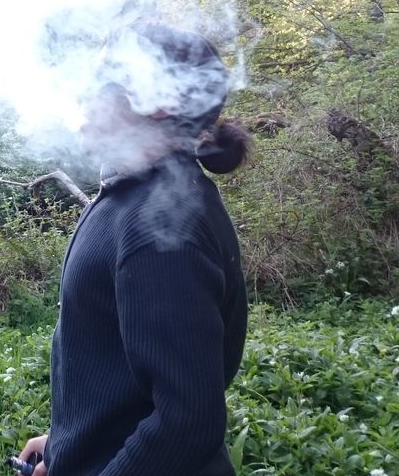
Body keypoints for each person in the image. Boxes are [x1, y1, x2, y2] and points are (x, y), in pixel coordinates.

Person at [19, 23, 251, 476]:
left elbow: (186, 422)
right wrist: (69, 442)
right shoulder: (133, 198)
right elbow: (124, 373)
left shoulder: (161, 226)